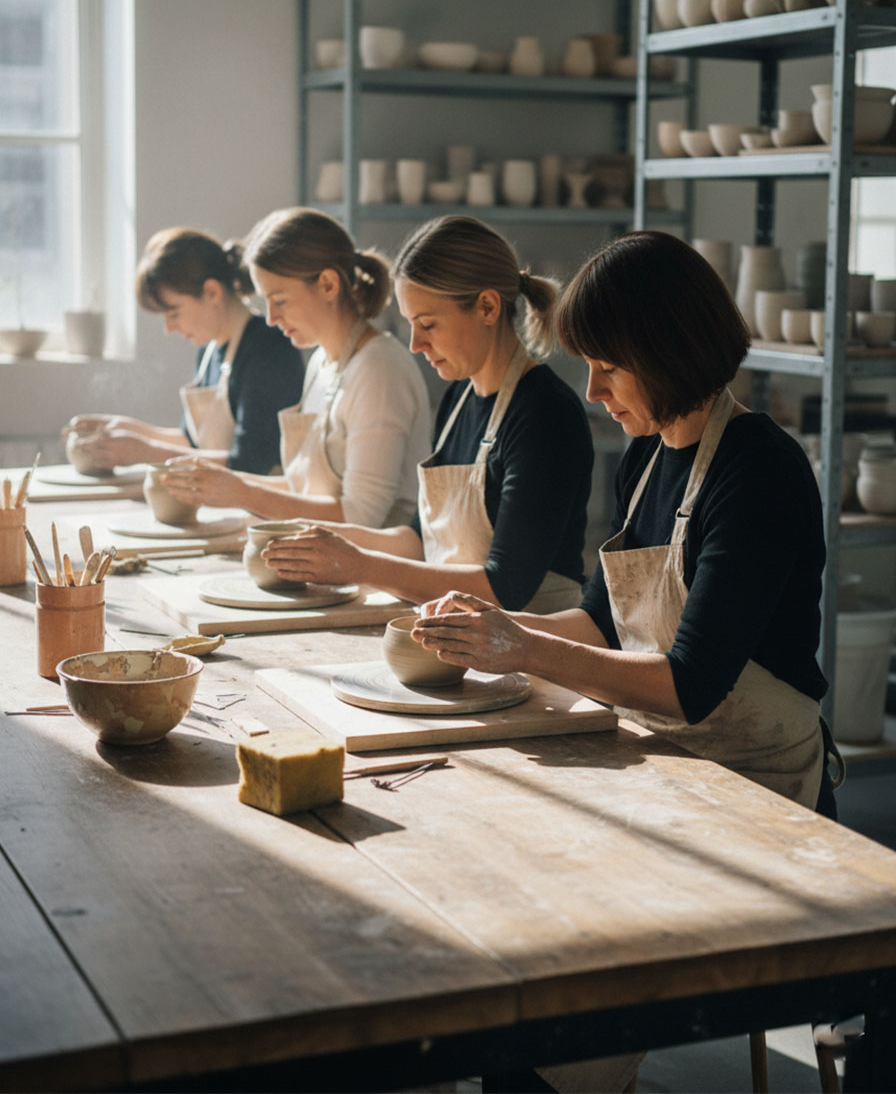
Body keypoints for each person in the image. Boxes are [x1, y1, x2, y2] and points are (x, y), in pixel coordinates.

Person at [411, 229, 840, 819]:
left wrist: (524, 648)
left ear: (672, 353)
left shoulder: (759, 471)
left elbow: (689, 685)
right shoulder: (646, 455)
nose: (592, 390)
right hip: (667, 758)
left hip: (763, 783)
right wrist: (490, 627)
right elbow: (599, 620)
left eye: (609, 366)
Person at [259, 214, 594, 612]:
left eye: (428, 324)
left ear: (487, 307)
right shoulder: (458, 400)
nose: (416, 344)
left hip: (534, 645)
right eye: (410, 325)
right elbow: (418, 541)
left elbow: (504, 587)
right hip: (463, 634)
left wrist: (359, 566)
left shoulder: (544, 413)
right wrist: (317, 539)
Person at [160, 207, 431, 527]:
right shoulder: (321, 361)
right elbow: (300, 488)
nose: (271, 319)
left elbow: (361, 517)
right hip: (321, 555)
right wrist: (222, 485)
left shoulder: (379, 370)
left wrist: (243, 492)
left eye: (281, 300)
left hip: (377, 569)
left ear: (328, 284)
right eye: (266, 302)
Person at [64, 227, 305, 475]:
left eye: (174, 313)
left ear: (212, 292)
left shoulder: (269, 349)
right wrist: (125, 430)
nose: (168, 329)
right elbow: (192, 443)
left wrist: (144, 452)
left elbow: (249, 465)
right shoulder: (209, 352)